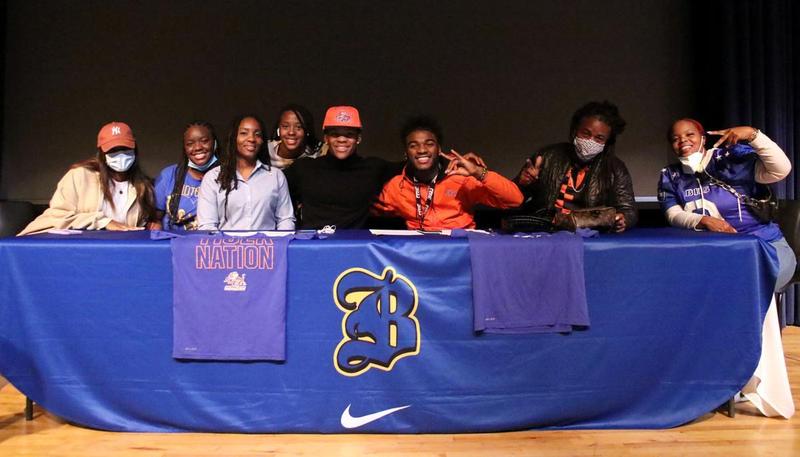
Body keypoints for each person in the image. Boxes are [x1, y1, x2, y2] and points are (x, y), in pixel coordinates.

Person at [658, 118, 795, 290]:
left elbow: (781, 169)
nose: (682, 140)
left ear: (703, 138)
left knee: (748, 284)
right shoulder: (671, 175)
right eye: (675, 138)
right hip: (716, 252)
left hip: (764, 245)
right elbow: (673, 214)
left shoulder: (729, 159)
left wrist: (753, 135)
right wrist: (703, 220)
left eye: (689, 134)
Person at [375, 116, 523, 229]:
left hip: (460, 251)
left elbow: (515, 200)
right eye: (413, 145)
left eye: (429, 144)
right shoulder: (396, 186)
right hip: (419, 254)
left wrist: (479, 172)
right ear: (406, 153)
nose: (422, 150)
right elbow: (369, 210)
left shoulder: (459, 179)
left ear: (439, 149)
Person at [512, 101, 637, 232]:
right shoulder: (546, 157)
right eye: (586, 133)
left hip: (590, 233)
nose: (590, 141)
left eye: (599, 138)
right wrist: (523, 184)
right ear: (574, 131)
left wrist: (623, 219)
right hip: (545, 230)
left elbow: (628, 209)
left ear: (607, 142)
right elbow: (511, 199)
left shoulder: (615, 168)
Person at [18, 121, 155, 235]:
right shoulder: (79, 176)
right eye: (113, 151)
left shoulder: (143, 186)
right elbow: (56, 216)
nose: (120, 156)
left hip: (119, 251)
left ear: (134, 150)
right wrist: (103, 222)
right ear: (102, 154)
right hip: (78, 250)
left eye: (125, 149)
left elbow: (138, 226)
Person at [284, 105, 401, 229]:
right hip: (313, 245)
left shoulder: (373, 168)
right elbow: (271, 186)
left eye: (349, 134)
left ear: (358, 138)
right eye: (335, 134)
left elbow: (414, 169)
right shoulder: (304, 168)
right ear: (326, 138)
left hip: (355, 246)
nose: (342, 139)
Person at [196, 114, 295, 230]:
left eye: (257, 134)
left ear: (263, 141)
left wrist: (279, 245)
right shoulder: (213, 178)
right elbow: (207, 226)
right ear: (233, 138)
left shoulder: (276, 176)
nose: (251, 139)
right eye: (244, 133)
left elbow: (285, 220)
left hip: (268, 247)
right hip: (226, 247)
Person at [153, 121, 221, 231]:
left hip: (211, 245)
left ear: (215, 144)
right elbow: (155, 219)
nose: (198, 147)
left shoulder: (228, 176)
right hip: (174, 244)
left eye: (204, 141)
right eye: (190, 144)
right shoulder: (169, 176)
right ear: (184, 148)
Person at [265, 104, 325, 169]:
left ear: (307, 130)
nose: (291, 132)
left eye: (298, 127)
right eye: (285, 126)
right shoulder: (264, 151)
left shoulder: (316, 155)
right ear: (278, 128)